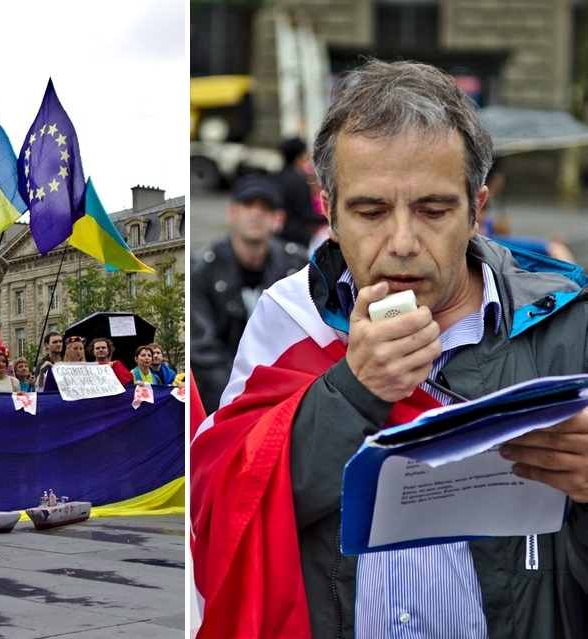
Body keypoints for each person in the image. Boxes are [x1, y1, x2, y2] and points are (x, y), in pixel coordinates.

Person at [191, 58, 588, 639]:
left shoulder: (567, 326)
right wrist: (352, 392)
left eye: (434, 210)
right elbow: (226, 512)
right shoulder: (290, 319)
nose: (402, 242)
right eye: (371, 211)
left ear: (477, 210)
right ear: (329, 211)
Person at [190, 174, 308, 413]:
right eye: (248, 205)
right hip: (225, 393)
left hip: (287, 388)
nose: (256, 213)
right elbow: (203, 350)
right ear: (230, 213)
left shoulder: (298, 265)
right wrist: (244, 395)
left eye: (265, 208)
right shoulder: (202, 269)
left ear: (278, 219)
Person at [274, 136, 324, 249]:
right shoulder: (299, 181)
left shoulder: (276, 177)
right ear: (299, 157)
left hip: (276, 235)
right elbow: (306, 215)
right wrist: (328, 217)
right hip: (295, 238)